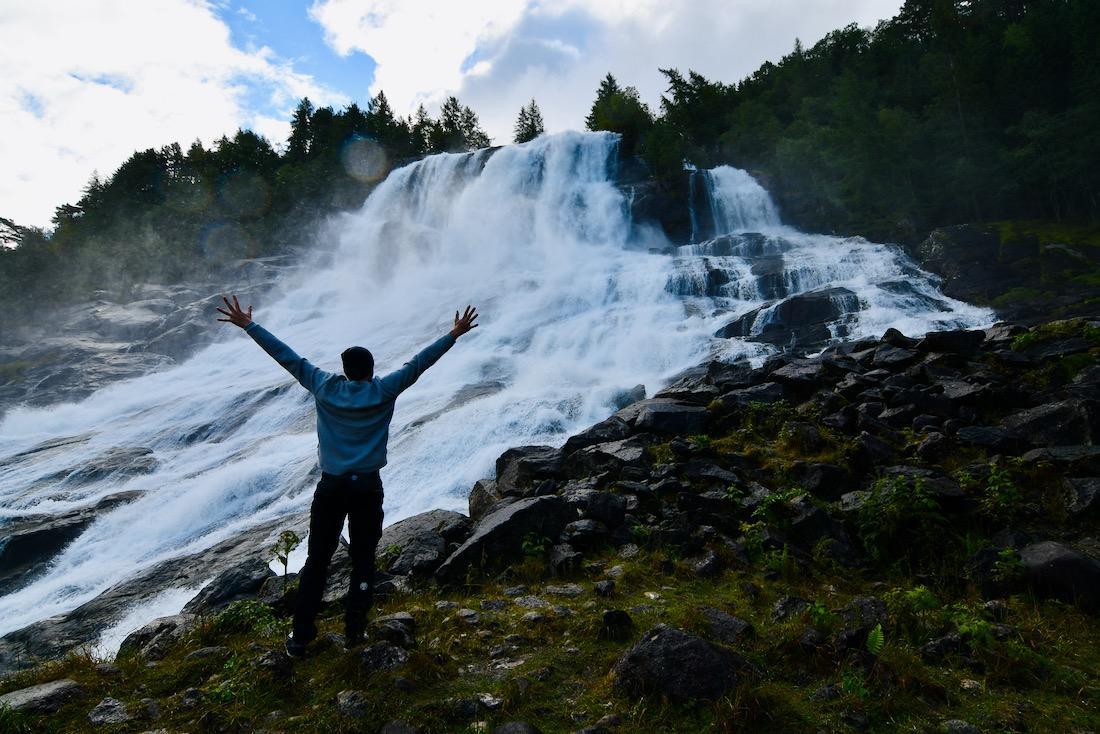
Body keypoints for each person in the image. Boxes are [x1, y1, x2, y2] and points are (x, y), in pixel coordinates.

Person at [216, 295, 479, 656]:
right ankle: (355, 633)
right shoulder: (384, 390)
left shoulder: (325, 387)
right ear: (371, 370)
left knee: (317, 562)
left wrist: (249, 325)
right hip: (367, 488)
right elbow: (419, 363)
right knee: (363, 561)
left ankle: (300, 638)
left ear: (345, 369)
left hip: (331, 487)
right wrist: (454, 334)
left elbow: (287, 357)